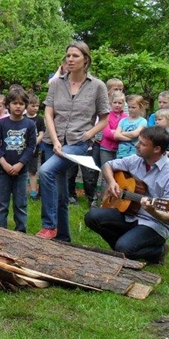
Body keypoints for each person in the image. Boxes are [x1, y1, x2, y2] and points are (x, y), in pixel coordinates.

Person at [37, 42, 109, 241]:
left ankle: (49, 225)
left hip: (78, 142)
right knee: (60, 192)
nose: (70, 59)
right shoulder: (56, 83)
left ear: (85, 59)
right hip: (53, 141)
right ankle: (63, 238)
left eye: (75, 56)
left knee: (46, 171)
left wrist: (89, 135)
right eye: (68, 55)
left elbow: (104, 118)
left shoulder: (97, 86)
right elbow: (49, 112)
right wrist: (55, 139)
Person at [84, 126, 169, 264]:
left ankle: (159, 251)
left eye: (142, 144)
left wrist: (153, 210)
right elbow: (107, 165)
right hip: (129, 213)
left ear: (157, 149)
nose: (136, 145)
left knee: (124, 248)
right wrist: (111, 183)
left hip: (154, 223)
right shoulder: (136, 159)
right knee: (92, 217)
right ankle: (123, 246)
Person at [0, 87, 37, 232]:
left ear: (25, 106)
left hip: (21, 172)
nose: (18, 106)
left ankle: (20, 233)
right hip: (3, 171)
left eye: (21, 104)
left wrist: (19, 164)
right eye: (14, 103)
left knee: (20, 204)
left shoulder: (30, 124)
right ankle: (2, 232)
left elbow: (31, 147)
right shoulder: (2, 123)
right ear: (8, 105)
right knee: (2, 204)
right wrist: (3, 163)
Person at [98, 90, 127, 196]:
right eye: (115, 102)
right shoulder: (107, 116)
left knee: (119, 176)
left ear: (123, 104)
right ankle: (103, 201)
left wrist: (116, 132)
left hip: (121, 150)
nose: (117, 105)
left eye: (120, 103)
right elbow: (107, 133)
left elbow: (127, 132)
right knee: (106, 175)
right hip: (106, 149)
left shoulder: (126, 118)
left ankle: (115, 200)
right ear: (110, 103)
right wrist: (119, 134)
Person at [25, 94, 45, 200]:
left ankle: (33, 192)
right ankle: (20, 191)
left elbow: (41, 134)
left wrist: (33, 143)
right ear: (27, 105)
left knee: (33, 171)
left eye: (37, 106)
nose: (35, 108)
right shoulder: (22, 118)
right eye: (33, 105)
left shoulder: (40, 119)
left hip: (34, 150)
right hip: (22, 149)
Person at [114, 95, 147, 159]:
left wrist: (122, 133)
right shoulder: (123, 120)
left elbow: (135, 134)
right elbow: (116, 135)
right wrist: (130, 138)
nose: (130, 109)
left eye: (133, 107)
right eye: (129, 107)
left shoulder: (143, 121)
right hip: (121, 154)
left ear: (141, 107)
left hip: (135, 155)